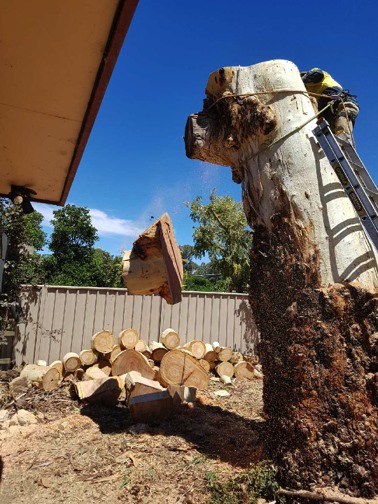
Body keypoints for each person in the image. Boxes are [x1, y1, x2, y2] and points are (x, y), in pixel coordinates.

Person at [301, 68, 359, 137]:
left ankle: (344, 138)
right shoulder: (306, 93)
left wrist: (301, 80)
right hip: (326, 110)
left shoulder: (316, 75)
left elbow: (316, 74)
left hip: (338, 98)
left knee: (344, 114)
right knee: (326, 128)